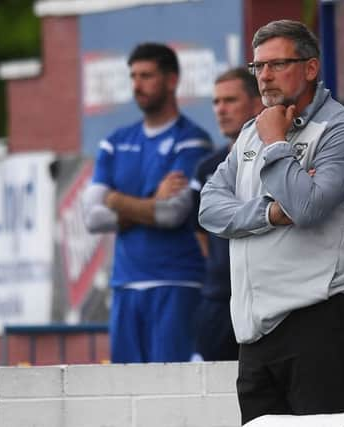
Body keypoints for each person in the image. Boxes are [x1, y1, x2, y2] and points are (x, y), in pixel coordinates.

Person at [199, 20, 344, 424]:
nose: (264, 76)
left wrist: (277, 144)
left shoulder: (343, 130)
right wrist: (270, 213)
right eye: (257, 67)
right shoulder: (251, 131)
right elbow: (209, 207)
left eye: (277, 64)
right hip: (255, 330)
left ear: (311, 68)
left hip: (320, 319)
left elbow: (308, 207)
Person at [82, 43, 212, 363]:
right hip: (126, 284)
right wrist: (148, 204)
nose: (137, 85)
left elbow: (171, 214)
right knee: (127, 391)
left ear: (171, 80)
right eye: (133, 76)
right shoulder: (115, 141)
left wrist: (114, 199)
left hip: (176, 281)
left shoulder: (192, 139)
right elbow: (91, 218)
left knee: (171, 389)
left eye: (146, 76)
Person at [189, 68, 263, 361]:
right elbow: (201, 231)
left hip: (265, 296)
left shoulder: (276, 157)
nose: (221, 110)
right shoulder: (206, 167)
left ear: (257, 104)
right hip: (218, 299)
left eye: (230, 100)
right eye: (216, 102)